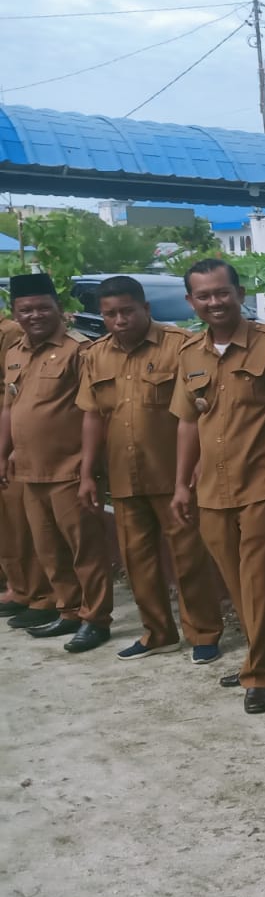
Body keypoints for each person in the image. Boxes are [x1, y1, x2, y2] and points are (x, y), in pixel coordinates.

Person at [170, 257, 265, 715]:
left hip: (264, 482)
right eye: (203, 296)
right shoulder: (189, 353)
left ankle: (259, 675)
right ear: (191, 301)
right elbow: (187, 422)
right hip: (212, 487)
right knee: (235, 579)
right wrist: (181, 485)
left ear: (239, 293)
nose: (214, 302)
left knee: (258, 581)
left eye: (221, 292)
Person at [76, 276, 224, 664]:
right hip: (125, 475)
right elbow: (92, 416)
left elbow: (198, 412)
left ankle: (203, 633)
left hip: (173, 474)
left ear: (146, 309)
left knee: (189, 556)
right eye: (110, 314)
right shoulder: (95, 355)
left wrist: (196, 468)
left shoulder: (180, 347)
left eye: (127, 310)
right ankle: (157, 632)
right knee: (136, 558)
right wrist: (88, 473)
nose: (120, 320)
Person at [0, 273, 115, 652]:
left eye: (42, 307)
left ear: (59, 309)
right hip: (28, 469)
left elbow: (93, 413)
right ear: (15, 314)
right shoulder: (15, 352)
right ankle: (67, 611)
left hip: (69, 468)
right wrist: (3, 454)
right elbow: (10, 407)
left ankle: (95, 619)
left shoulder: (78, 350)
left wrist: (88, 469)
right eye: (25, 310)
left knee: (85, 548)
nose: (35, 315)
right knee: (48, 548)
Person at [0, 303, 54, 631]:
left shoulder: (10, 334)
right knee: (6, 521)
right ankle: (19, 588)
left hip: (17, 438)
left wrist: (7, 447)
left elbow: (12, 395)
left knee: (23, 519)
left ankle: (42, 594)